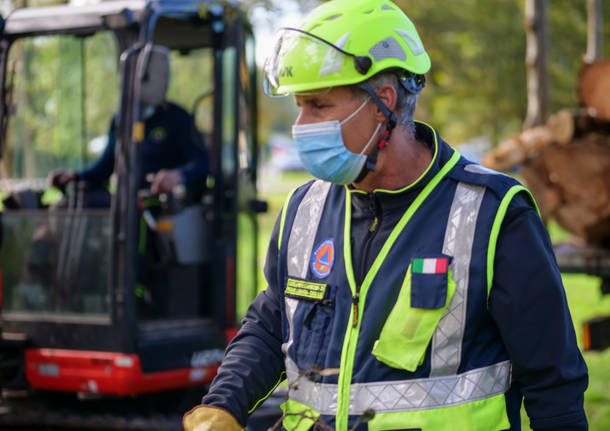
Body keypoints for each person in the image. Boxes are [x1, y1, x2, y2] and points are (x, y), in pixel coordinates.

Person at [183, 1, 588, 430]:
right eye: (300, 106)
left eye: (319, 106)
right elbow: (271, 324)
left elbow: (553, 384)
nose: (301, 125)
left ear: (383, 104)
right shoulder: (305, 209)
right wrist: (223, 404)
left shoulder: (492, 213)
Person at [48, 45, 209, 199]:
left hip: (161, 209)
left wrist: (179, 176)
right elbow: (105, 166)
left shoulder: (178, 118)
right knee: (65, 206)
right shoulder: (121, 120)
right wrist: (75, 176)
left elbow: (203, 163)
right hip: (124, 207)